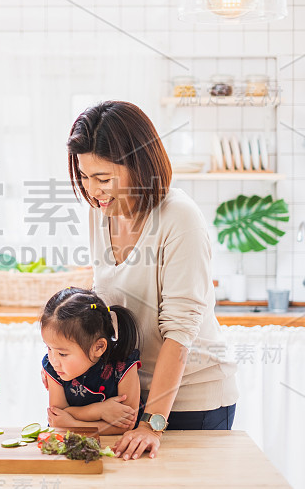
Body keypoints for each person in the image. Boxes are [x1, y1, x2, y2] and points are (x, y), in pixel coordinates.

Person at [66, 101, 238, 460]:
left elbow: (179, 331)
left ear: (140, 166)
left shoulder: (179, 218)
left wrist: (152, 422)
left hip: (192, 400)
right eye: (84, 176)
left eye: (103, 178)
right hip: (133, 398)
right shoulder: (101, 213)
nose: (93, 190)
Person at [41, 287, 141, 434]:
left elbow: (125, 425)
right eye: (48, 348)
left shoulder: (123, 365)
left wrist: (72, 423)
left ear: (98, 347)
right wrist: (100, 411)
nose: (53, 360)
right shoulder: (54, 368)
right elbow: (57, 416)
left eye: (62, 354)